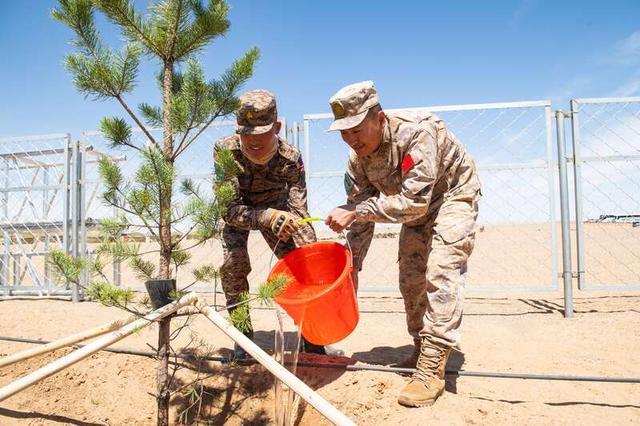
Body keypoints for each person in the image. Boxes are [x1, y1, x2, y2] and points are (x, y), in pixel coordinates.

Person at [324, 81, 481, 407]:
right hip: (414, 208)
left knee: (440, 268)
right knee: (411, 279)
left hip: (453, 195)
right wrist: (353, 268)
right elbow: (360, 217)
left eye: (356, 129)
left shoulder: (416, 132)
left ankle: (432, 366)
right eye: (343, 132)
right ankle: (421, 346)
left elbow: (413, 204)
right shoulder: (357, 163)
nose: (351, 139)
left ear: (378, 117)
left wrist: (355, 212)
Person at [213, 89, 327, 359]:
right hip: (239, 211)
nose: (253, 140)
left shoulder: (291, 158)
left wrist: (307, 249)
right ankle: (243, 338)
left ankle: (311, 338)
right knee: (233, 265)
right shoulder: (225, 151)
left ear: (277, 127)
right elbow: (228, 208)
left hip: (280, 211)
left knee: (303, 262)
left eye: (262, 132)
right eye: (246, 132)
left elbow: (299, 211)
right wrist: (266, 216)